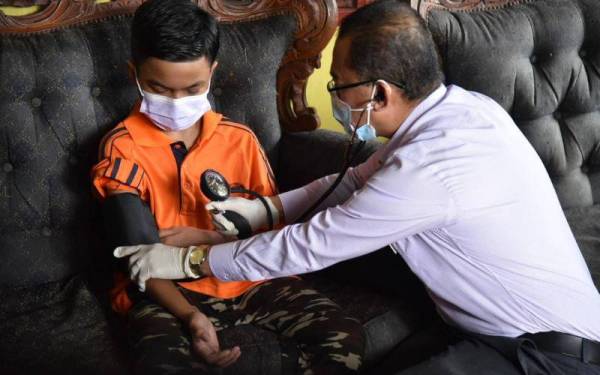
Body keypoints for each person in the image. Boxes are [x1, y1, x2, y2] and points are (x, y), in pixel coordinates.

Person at [116, 1, 600, 374]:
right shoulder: (462, 110)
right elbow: (350, 180)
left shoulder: (429, 172)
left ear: (380, 92)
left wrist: (190, 259)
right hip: (495, 331)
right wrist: (262, 210)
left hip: (545, 356)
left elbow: (310, 246)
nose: (336, 97)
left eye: (339, 84)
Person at [93, 1, 365, 374]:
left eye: (192, 88)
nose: (176, 103)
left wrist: (203, 238)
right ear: (134, 74)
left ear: (212, 73)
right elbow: (140, 258)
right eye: (159, 88)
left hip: (248, 277)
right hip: (168, 292)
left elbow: (272, 234)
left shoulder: (241, 141)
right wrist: (191, 318)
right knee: (161, 361)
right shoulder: (122, 147)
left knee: (344, 334)